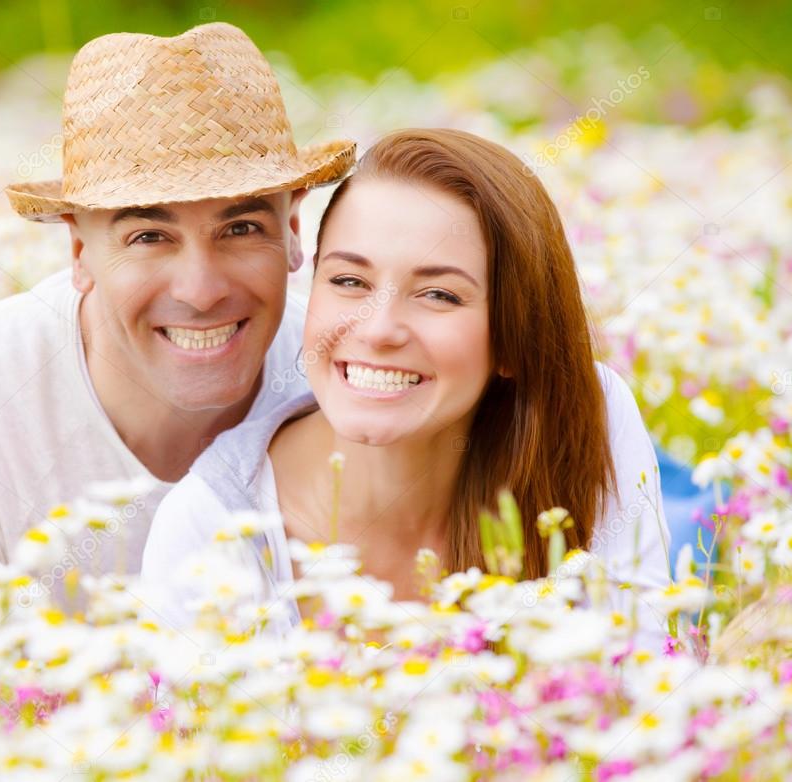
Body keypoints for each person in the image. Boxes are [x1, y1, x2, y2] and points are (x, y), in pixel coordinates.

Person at [0, 22, 355, 624]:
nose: (200, 292)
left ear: (293, 232)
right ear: (79, 252)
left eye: (241, 228)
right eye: (148, 236)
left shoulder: (346, 392)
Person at [143, 128, 672, 647]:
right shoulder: (213, 532)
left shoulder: (586, 418)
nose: (378, 330)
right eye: (350, 282)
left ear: (515, 338)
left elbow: (644, 677)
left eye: (439, 294)